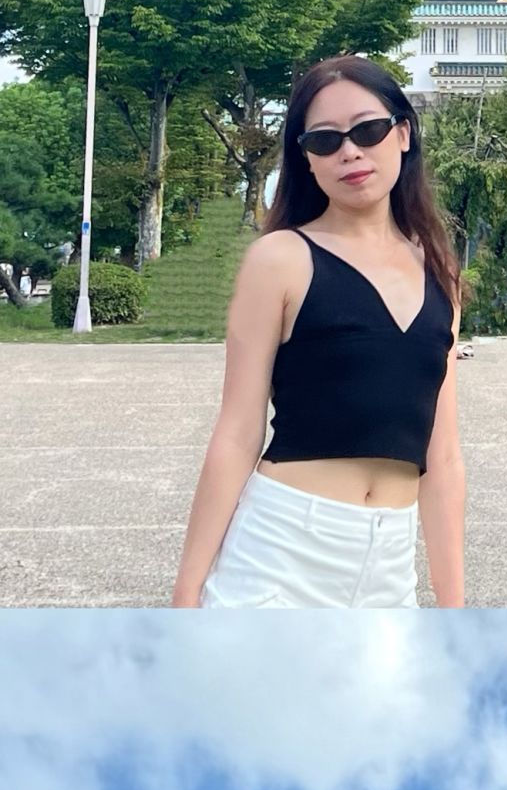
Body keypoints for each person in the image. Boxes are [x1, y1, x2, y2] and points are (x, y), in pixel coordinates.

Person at [172, 55, 464, 608]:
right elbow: (237, 432)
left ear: (402, 134)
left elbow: (442, 457)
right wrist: (186, 592)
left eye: (368, 130)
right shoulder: (279, 259)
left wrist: (454, 609)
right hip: (283, 550)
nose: (350, 151)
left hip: (390, 569)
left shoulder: (439, 275)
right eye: (324, 141)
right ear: (305, 159)